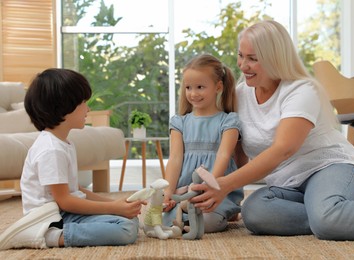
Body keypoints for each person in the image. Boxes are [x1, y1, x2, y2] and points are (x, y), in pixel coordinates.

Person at [191, 20, 354, 241]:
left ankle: (328, 215)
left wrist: (225, 186)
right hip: (287, 187)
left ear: (275, 59)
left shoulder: (302, 90)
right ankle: (329, 215)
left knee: (326, 218)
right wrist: (225, 195)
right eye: (241, 56)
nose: (242, 65)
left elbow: (283, 149)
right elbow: (237, 152)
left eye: (253, 59)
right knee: (254, 212)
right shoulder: (240, 95)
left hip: (330, 168)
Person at [0, 68, 145, 250]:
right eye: (83, 102)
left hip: (64, 212)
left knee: (129, 219)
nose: (88, 108)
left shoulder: (62, 143)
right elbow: (65, 201)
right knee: (126, 228)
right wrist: (114, 208)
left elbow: (75, 190)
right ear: (63, 107)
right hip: (53, 217)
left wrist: (116, 204)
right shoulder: (51, 150)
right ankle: (52, 236)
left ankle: (58, 232)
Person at [162, 54, 244, 233]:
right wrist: (168, 191)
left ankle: (221, 212)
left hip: (215, 187)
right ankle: (185, 213)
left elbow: (223, 155)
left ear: (218, 87)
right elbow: (175, 159)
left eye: (200, 87)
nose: (193, 93)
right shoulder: (179, 122)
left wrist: (209, 187)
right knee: (161, 216)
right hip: (185, 190)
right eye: (188, 87)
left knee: (207, 222)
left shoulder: (229, 121)